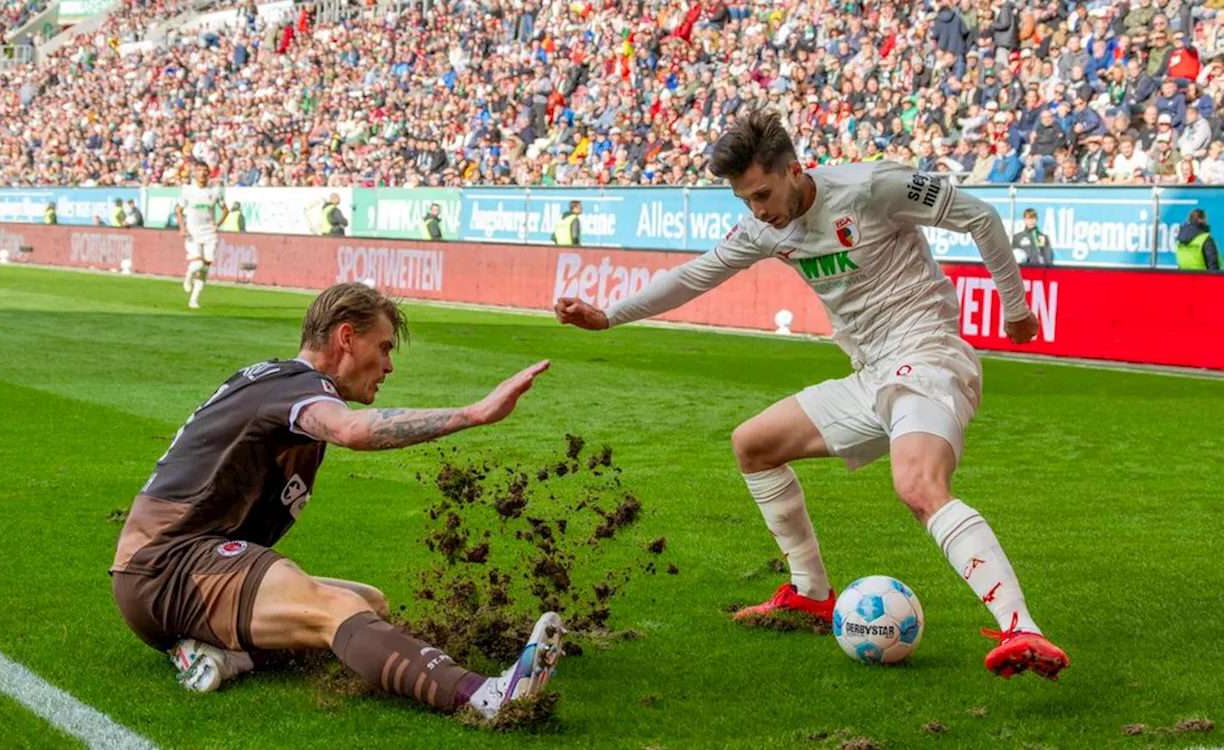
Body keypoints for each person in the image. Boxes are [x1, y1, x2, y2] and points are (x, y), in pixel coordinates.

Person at [554, 110, 1069, 680]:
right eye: (746, 200)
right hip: (870, 373)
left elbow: (981, 216)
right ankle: (811, 595)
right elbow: (696, 274)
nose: (757, 209)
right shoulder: (763, 228)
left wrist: (1016, 309)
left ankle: (1021, 627)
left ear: (796, 170)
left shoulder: (873, 187)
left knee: (917, 485)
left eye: (763, 194)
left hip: (927, 356)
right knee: (753, 445)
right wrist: (609, 317)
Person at [110, 283, 562, 718]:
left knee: (369, 603)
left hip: (172, 569)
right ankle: (486, 697)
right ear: (346, 337)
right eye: (384, 348)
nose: (389, 367)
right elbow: (353, 431)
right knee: (337, 611)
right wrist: (475, 413)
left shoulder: (279, 386)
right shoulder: (296, 385)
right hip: (171, 566)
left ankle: (222, 654)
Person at [175, 161, 228, 309]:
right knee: (197, 263)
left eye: (205, 171)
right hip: (193, 232)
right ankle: (188, 277)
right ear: (195, 173)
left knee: (205, 268)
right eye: (199, 170)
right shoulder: (188, 190)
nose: (203, 173)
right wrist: (182, 227)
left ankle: (194, 299)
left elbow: (225, 209)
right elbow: (178, 209)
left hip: (209, 232)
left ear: (209, 173)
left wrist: (217, 224)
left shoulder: (215, 191)